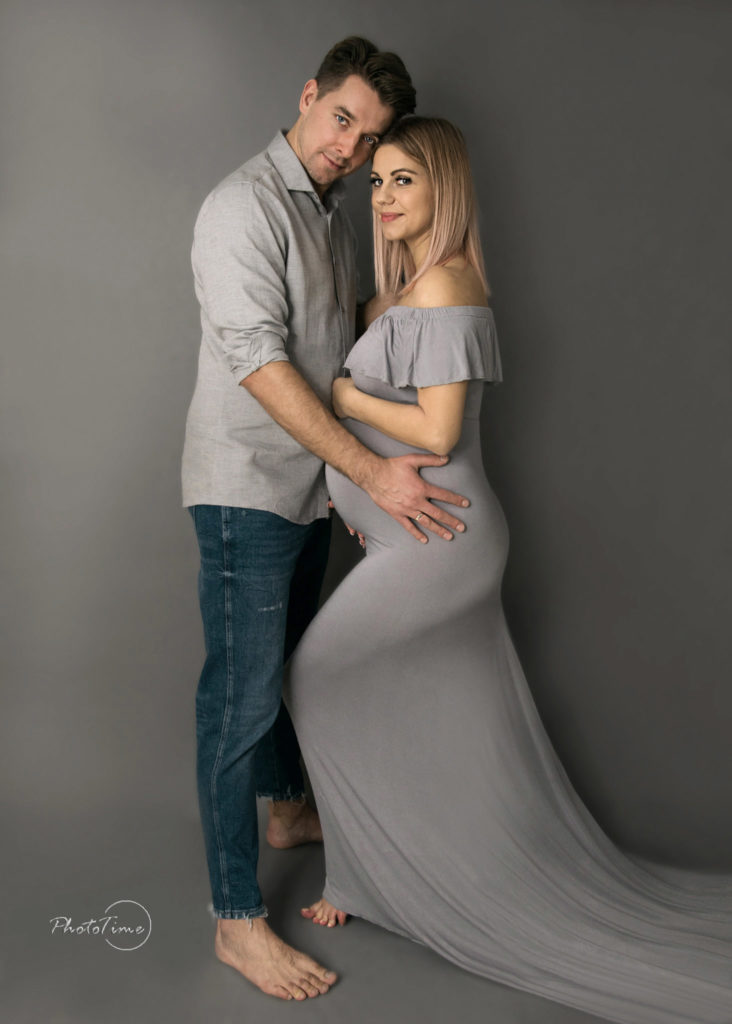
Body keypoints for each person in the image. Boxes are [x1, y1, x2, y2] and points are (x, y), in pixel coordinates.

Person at [286, 116, 732, 1023]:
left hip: (441, 542)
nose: (385, 197)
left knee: (316, 677)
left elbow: (438, 430)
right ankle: (369, 875)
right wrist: (359, 492)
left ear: (443, 187)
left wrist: (342, 394)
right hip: (414, 537)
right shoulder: (408, 287)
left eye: (405, 179)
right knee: (425, 714)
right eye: (377, 181)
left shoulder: (447, 282)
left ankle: (370, 876)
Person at [181, 38, 476, 1003]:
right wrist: (372, 475)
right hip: (246, 490)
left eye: (371, 137)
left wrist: (428, 296)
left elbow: (332, 336)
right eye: (342, 118)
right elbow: (264, 364)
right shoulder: (240, 207)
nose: (350, 147)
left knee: (284, 668)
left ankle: (285, 812)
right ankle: (236, 920)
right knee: (239, 698)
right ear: (308, 96)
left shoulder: (329, 211)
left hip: (308, 487)